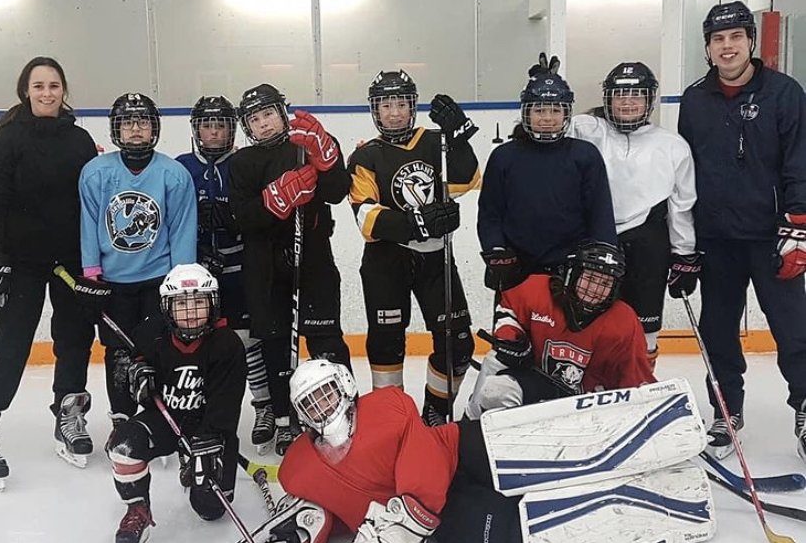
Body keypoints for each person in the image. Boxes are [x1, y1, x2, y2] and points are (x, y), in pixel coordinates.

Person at [254, 357, 708, 543]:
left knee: (538, 451)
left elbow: (421, 457)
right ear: (300, 415)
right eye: (310, 404)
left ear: (346, 387)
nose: (322, 407)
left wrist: (407, 519)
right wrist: (304, 536)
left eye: (326, 394)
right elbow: (326, 509)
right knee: (516, 532)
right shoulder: (297, 469)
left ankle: (637, 437)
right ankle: (653, 504)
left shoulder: (387, 405)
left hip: (454, 455)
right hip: (441, 516)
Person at [678, 1, 806, 461]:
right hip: (716, 239)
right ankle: (725, 410)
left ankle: (805, 407)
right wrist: (684, 245)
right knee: (717, 330)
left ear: (751, 41)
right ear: (709, 48)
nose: (727, 46)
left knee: (794, 329)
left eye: (735, 36)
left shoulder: (786, 93)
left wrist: (799, 225)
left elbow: (800, 162)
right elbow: (684, 174)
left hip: (773, 236)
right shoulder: (694, 99)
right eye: (718, 39)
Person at [0, 56, 98, 489]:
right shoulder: (7, 140)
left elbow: (89, 205)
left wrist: (93, 261)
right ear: (24, 91)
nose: (47, 93)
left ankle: (69, 413)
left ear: (64, 90)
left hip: (68, 262)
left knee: (74, 339)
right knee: (12, 345)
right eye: (38, 86)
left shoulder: (80, 141)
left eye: (54, 85)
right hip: (21, 261)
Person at [348, 70, 479, 424]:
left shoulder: (436, 141)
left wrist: (458, 137)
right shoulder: (365, 157)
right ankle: (391, 421)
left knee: (458, 344)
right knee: (386, 344)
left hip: (436, 260)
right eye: (385, 104)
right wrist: (418, 222)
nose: (393, 112)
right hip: (384, 262)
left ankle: (434, 412)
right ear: (375, 110)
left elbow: (466, 181)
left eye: (401, 103)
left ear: (412, 106)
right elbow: (367, 219)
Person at [228, 83, 351, 455]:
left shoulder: (306, 145)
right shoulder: (242, 162)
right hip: (264, 268)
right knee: (275, 345)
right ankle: (283, 418)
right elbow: (243, 218)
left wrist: (327, 156)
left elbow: (336, 191)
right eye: (255, 119)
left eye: (268, 114)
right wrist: (274, 201)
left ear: (282, 113)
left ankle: (342, 410)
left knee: (326, 341)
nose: (263, 124)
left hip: (313, 261)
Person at [106, 263, 246, 543]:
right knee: (123, 446)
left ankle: (191, 464)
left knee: (210, 510)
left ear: (213, 305)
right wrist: (136, 370)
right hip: (166, 420)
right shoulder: (153, 333)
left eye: (199, 302)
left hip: (210, 429)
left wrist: (207, 444)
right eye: (182, 304)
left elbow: (227, 406)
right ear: (167, 308)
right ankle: (138, 508)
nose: (191, 311)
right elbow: (127, 355)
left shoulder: (227, 345)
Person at [78, 93, 196, 435]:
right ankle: (122, 415)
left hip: (158, 279)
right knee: (117, 351)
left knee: (160, 346)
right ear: (116, 129)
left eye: (142, 122)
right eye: (126, 122)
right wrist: (91, 271)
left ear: (154, 128)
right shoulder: (96, 172)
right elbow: (88, 221)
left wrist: (182, 277)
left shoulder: (173, 174)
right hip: (113, 282)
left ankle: (157, 412)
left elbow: (182, 228)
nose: (134, 129)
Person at [570, 62, 700, 369]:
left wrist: (685, 254)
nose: (628, 101)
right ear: (607, 99)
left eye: (637, 95)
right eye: (620, 94)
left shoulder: (672, 146)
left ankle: (639, 384)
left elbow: (681, 205)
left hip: (648, 241)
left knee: (645, 324)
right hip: (597, 240)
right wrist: (546, 82)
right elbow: (549, 122)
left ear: (650, 99)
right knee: (588, 317)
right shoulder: (588, 130)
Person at [175, 96, 271, 449]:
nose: (214, 133)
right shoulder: (181, 167)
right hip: (197, 276)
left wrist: (232, 221)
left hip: (240, 270)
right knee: (198, 344)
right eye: (207, 125)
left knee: (249, 341)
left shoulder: (245, 163)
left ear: (233, 129)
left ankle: (263, 406)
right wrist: (197, 254)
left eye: (221, 125)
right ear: (196, 129)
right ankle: (199, 409)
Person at [466, 240, 654, 419]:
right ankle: (470, 422)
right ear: (573, 274)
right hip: (538, 384)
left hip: (589, 403)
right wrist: (512, 337)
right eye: (590, 278)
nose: (595, 290)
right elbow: (508, 306)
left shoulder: (623, 321)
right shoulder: (539, 290)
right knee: (496, 373)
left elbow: (635, 377)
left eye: (605, 284)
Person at [478, 59, 616, 295]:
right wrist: (496, 250)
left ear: (566, 113)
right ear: (526, 112)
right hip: (517, 267)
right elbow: (490, 213)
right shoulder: (504, 157)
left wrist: (602, 260)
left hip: (573, 267)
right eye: (539, 110)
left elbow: (600, 213)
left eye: (555, 110)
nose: (547, 118)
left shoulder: (585, 155)